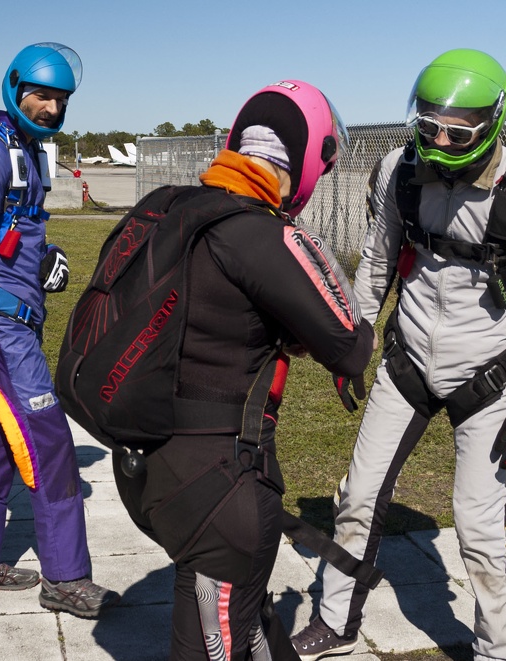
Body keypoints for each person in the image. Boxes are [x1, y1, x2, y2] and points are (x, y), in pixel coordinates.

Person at [291, 49, 506, 661]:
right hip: (408, 362)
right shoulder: (398, 169)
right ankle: (337, 619)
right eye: (428, 126)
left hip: (489, 374)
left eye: (457, 131)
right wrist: (353, 341)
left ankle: (500, 650)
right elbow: (374, 263)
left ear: (493, 121)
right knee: (358, 497)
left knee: (477, 525)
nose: (440, 142)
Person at [110, 81, 375, 660]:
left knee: (252, 628)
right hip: (218, 487)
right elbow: (353, 346)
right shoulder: (263, 234)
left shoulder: (167, 206)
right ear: (306, 161)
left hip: (145, 464)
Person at [0, 42, 120, 618]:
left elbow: (14, 235)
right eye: (40, 95)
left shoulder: (25, 151)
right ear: (15, 90)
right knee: (52, 445)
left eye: (59, 98)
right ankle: (65, 578)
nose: (50, 107)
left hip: (17, 317)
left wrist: (45, 259)